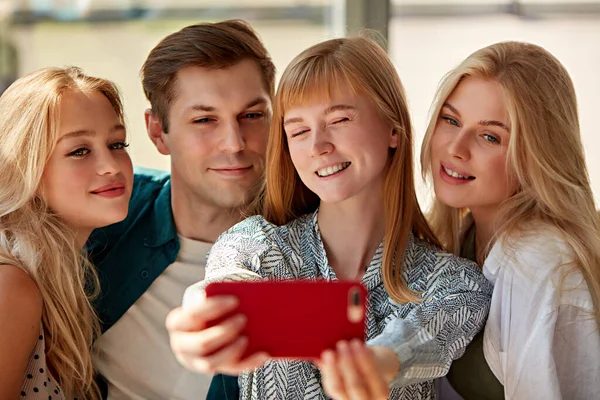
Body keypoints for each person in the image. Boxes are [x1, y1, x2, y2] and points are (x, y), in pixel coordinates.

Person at [167, 35, 493, 400]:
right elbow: (224, 284)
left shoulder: (457, 282)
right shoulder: (256, 243)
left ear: (393, 131)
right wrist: (204, 317)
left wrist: (378, 362)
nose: (318, 146)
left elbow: (424, 337)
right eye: (299, 131)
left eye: (339, 119)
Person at [320, 41, 600, 400]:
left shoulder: (540, 262)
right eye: (450, 120)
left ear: (536, 155)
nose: (456, 147)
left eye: (490, 136)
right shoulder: (463, 238)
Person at [85, 20, 275, 399]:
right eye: (205, 120)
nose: (234, 143)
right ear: (158, 132)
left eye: (252, 115)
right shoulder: (104, 214)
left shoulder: (316, 249)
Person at [0, 67, 133, 399]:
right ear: (24, 166)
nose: (112, 166)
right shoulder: (11, 285)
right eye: (79, 151)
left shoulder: (60, 272)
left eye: (117, 143)